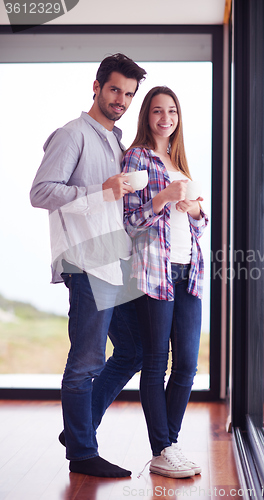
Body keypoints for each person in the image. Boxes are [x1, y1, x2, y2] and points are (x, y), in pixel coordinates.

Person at [30, 54, 146, 478]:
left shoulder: (117, 142)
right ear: (96, 87)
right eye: (115, 89)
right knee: (86, 362)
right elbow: (41, 192)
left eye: (129, 94)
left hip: (116, 260)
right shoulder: (72, 134)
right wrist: (100, 189)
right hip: (86, 260)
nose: (122, 100)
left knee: (133, 350)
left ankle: (77, 429)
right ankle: (82, 452)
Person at [122, 86, 209, 478]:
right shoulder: (136, 158)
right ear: (147, 116)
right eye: (157, 111)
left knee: (188, 365)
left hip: (189, 270)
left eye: (171, 111)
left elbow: (200, 225)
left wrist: (193, 209)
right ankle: (163, 447)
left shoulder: (179, 161)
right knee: (156, 362)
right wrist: (162, 199)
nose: (165, 118)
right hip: (156, 271)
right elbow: (130, 220)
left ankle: (167, 447)